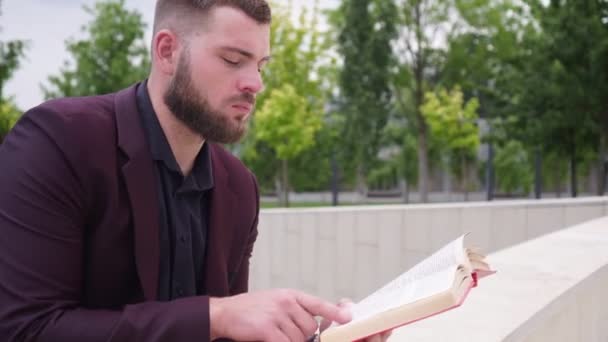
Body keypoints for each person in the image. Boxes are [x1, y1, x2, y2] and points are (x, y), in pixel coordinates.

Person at [0, 1, 393, 341]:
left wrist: (325, 339)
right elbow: (24, 329)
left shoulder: (240, 187)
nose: (255, 83)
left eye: (260, 65)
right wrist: (216, 315)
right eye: (233, 60)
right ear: (167, 51)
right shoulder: (58, 140)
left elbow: (225, 335)